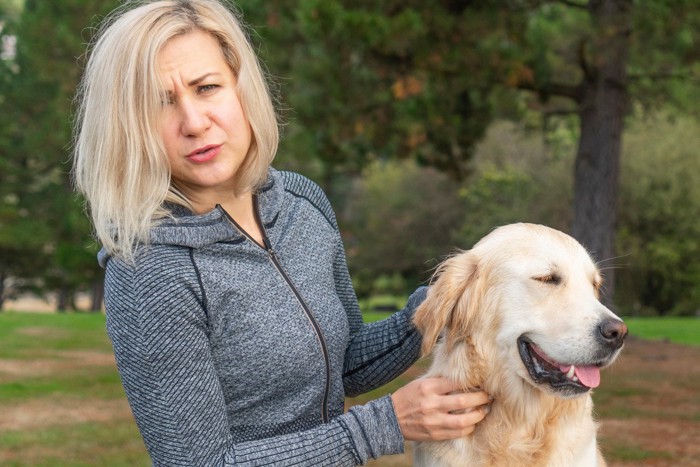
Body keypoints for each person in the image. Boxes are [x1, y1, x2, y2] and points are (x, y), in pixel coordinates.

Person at [72, 0, 491, 465]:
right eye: (160, 102)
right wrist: (382, 425)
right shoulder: (150, 273)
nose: (193, 123)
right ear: (128, 128)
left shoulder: (301, 202)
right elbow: (197, 463)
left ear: (242, 88)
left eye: (206, 87)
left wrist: (435, 308)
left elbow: (344, 363)